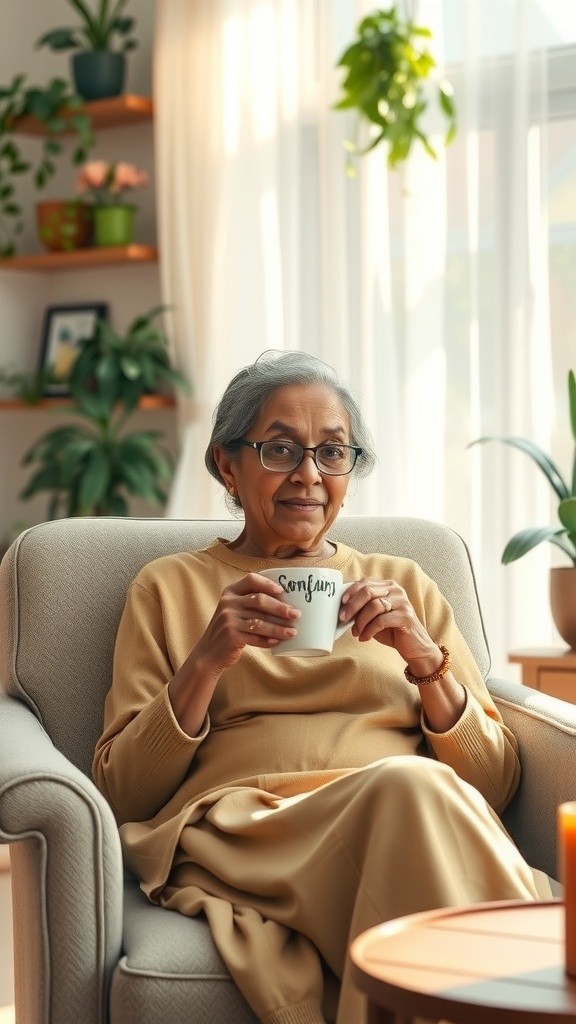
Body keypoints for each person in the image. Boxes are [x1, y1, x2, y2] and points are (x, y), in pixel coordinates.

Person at [93, 350, 551, 1024]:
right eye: (280, 449)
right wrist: (207, 661)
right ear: (227, 464)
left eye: (332, 453)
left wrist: (424, 658)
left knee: (413, 793)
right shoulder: (169, 587)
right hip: (251, 829)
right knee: (413, 788)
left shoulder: (406, 583)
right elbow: (123, 791)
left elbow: (493, 783)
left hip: (406, 817)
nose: (309, 474)